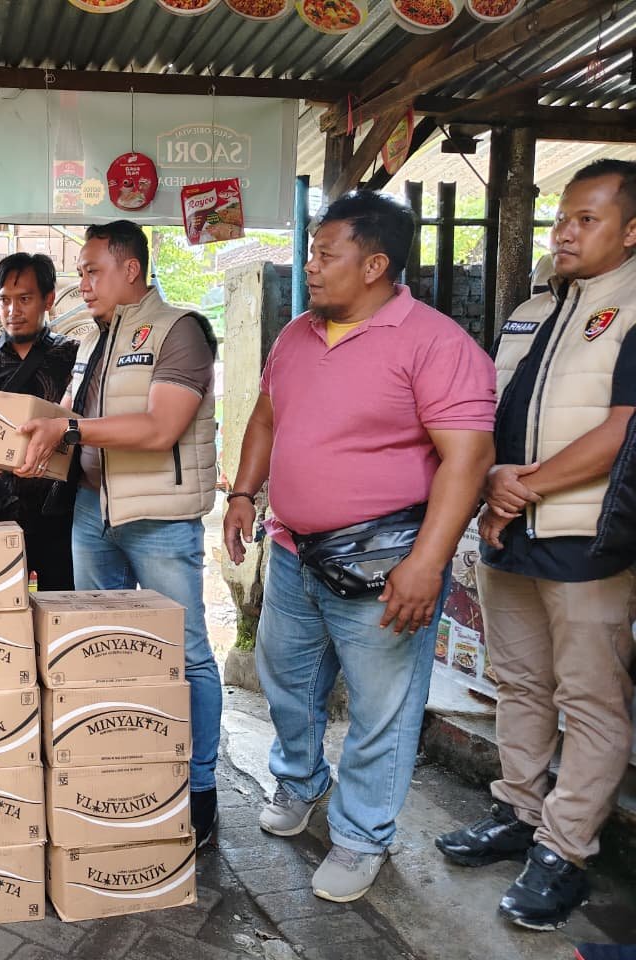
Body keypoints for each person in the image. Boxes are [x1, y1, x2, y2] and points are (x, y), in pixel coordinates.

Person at [224, 191, 496, 902]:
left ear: (375, 265)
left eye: (326, 254)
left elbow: (467, 458)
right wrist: (244, 493)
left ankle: (362, 834)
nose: (310, 266)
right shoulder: (296, 334)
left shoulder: (436, 344)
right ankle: (301, 781)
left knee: (382, 708)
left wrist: (427, 563)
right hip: (294, 553)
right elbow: (265, 417)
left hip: (386, 564)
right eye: (312, 252)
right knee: (286, 680)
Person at [435, 160, 636, 931]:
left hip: (589, 538)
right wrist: (491, 489)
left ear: (631, 231)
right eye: (563, 216)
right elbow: (487, 410)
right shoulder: (531, 309)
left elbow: (622, 431)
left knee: (590, 701)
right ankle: (519, 812)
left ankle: (564, 850)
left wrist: (522, 488)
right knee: (519, 683)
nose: (565, 232)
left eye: (587, 219)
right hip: (507, 531)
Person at [17, 220, 223, 848]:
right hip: (92, 512)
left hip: (159, 519)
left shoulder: (180, 330)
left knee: (184, 653)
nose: (82, 283)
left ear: (130, 269)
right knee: (102, 649)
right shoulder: (93, 338)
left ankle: (199, 786)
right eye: (80, 272)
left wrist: (68, 430)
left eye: (92, 271)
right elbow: (75, 419)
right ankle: (123, 770)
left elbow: (160, 428)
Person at [0, 252, 78, 590]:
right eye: (5, 300)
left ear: (48, 299)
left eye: (24, 299)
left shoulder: (72, 355)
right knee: (0, 610)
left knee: (62, 608)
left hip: (64, 518)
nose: (13, 310)